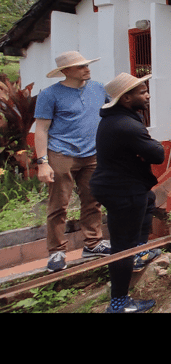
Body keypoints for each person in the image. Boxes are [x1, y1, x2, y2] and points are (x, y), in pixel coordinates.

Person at [90, 73, 165, 313]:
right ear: (126, 98)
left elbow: (148, 150)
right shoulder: (127, 125)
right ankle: (119, 302)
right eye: (142, 92)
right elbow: (158, 154)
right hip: (122, 190)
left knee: (150, 200)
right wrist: (150, 147)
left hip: (120, 186)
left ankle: (140, 251)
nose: (148, 95)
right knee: (122, 246)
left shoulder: (117, 119)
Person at [34, 51, 111, 273]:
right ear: (66, 71)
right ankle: (56, 251)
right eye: (80, 67)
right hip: (61, 153)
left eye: (86, 65)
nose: (86, 69)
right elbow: (41, 129)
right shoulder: (50, 94)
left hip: (92, 154)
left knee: (93, 200)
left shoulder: (98, 88)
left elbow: (115, 108)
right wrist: (42, 162)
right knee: (59, 204)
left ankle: (93, 243)